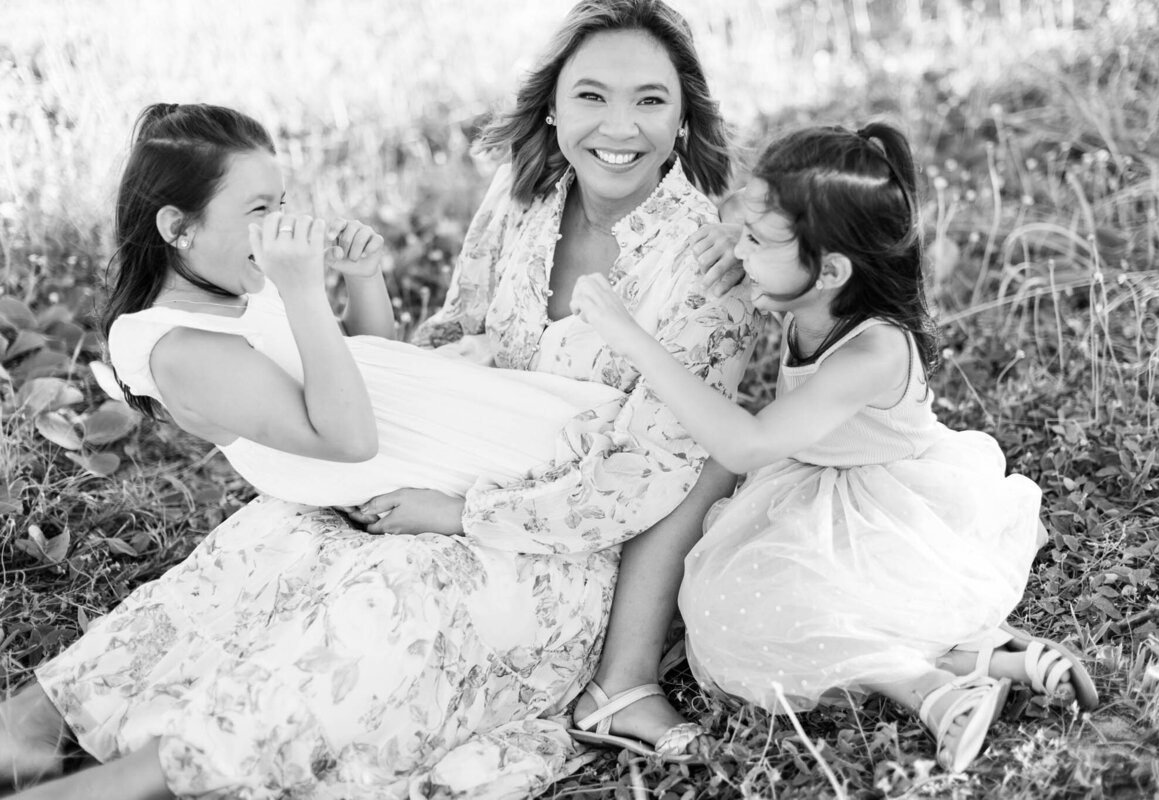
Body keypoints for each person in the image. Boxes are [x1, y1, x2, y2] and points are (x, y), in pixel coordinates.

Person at [0, 1, 759, 798]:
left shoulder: (708, 267)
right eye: (592, 96)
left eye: (650, 100)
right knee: (275, 534)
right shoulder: (526, 198)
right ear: (553, 107)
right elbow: (453, 336)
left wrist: (459, 512)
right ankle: (44, 719)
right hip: (447, 462)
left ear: (683, 122)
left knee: (391, 598)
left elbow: (652, 479)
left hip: (564, 542)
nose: (620, 126)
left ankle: (152, 775)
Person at [571, 122, 1096, 772]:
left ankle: (935, 693)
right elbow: (756, 242)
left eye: (757, 240)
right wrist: (739, 242)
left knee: (748, 612)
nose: (739, 248)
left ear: (831, 270)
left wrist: (630, 338)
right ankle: (990, 657)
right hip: (819, 485)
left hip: (898, 507)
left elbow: (748, 442)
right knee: (775, 597)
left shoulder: (873, 350)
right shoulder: (811, 289)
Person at [100, 103, 630, 510]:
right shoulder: (179, 350)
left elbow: (361, 358)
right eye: (258, 209)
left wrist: (362, 280)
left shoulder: (233, 290)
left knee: (617, 439)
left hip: (440, 415)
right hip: (430, 451)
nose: (281, 224)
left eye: (280, 204)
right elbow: (347, 437)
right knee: (604, 475)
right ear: (177, 227)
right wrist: (302, 292)